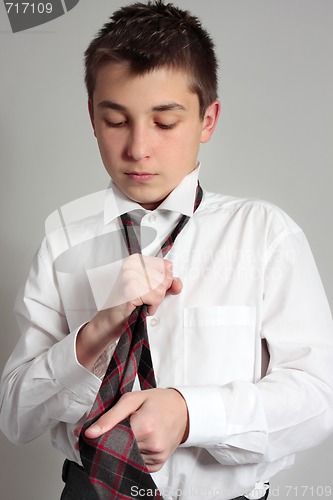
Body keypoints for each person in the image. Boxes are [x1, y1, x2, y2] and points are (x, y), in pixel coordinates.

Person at [1, 1, 333, 499]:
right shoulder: (63, 239)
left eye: (164, 122)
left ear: (207, 119)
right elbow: (16, 417)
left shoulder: (264, 234)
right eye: (116, 121)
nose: (138, 148)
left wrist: (189, 412)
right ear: (92, 117)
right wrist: (93, 335)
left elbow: (318, 399)